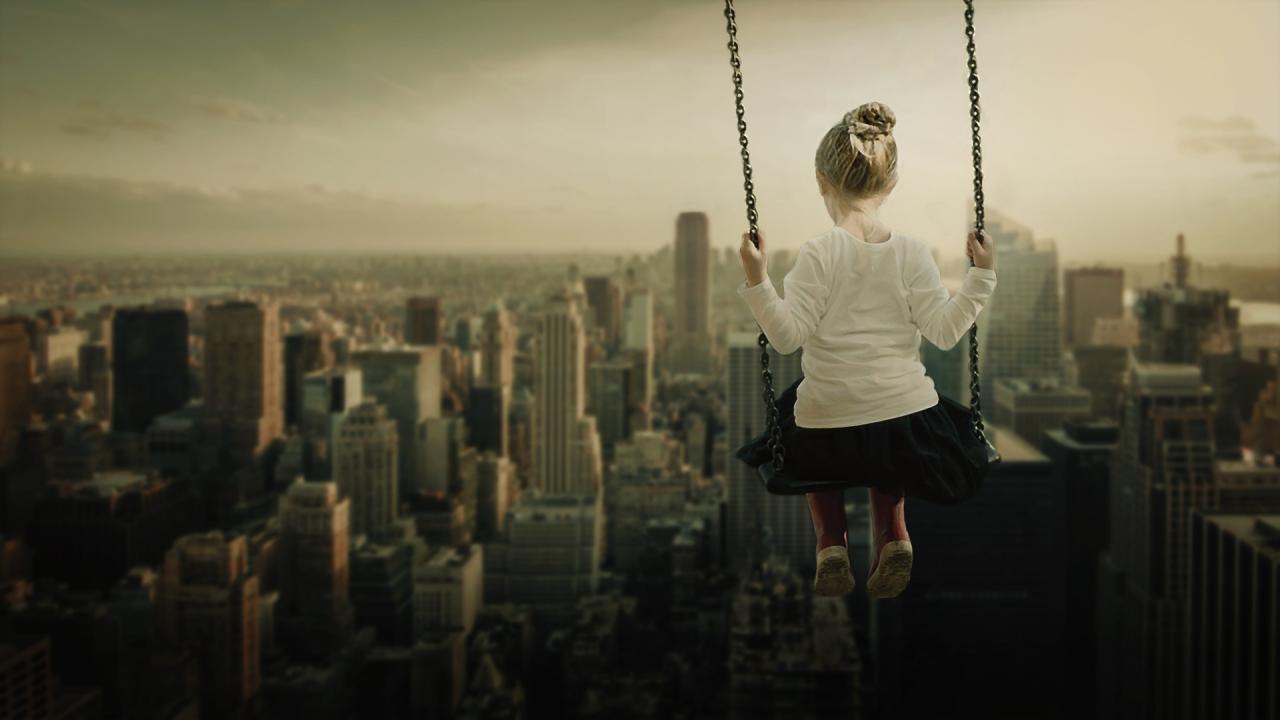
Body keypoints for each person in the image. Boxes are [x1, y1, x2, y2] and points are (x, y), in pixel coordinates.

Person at [735, 101, 997, 598]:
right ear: (892, 184)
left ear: (821, 180)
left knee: (805, 421)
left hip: (828, 416)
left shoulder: (820, 252)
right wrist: (981, 276)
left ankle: (831, 542)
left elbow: (787, 336)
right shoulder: (913, 252)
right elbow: (944, 331)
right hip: (904, 415)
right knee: (889, 436)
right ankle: (894, 532)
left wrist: (756, 279)